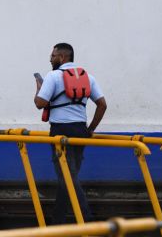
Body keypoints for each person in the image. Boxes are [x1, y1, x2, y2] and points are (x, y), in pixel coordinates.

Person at [34, 42, 107, 223]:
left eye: (53, 56)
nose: (50, 59)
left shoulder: (53, 76)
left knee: (67, 177)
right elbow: (102, 104)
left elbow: (40, 103)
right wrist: (90, 130)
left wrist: (38, 87)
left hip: (60, 132)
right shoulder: (88, 77)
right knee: (68, 177)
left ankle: (88, 220)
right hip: (80, 131)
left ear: (62, 57)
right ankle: (57, 222)